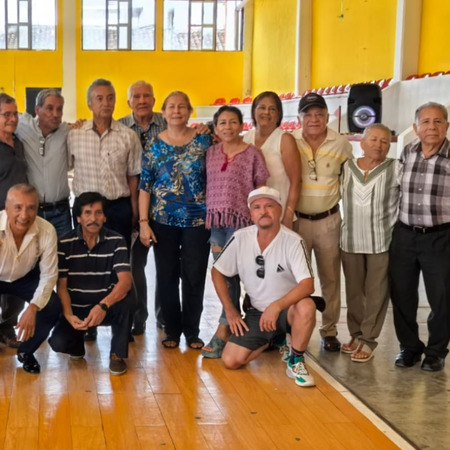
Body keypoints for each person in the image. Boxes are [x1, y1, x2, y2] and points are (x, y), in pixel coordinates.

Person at [212, 187, 322, 387]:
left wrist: (277, 306)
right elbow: (217, 271)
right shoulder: (240, 237)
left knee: (307, 306)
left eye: (269, 206)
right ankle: (275, 339)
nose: (263, 211)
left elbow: (307, 285)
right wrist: (230, 310)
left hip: (287, 310)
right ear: (251, 214)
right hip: (257, 313)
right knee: (230, 361)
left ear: (280, 210)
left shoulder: (293, 241)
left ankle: (295, 360)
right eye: (257, 207)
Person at [68, 78, 141, 341]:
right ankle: (88, 322)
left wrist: (134, 211)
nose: (106, 103)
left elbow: (133, 176)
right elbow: (65, 165)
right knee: (86, 267)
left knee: (119, 267)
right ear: (89, 103)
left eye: (110, 97)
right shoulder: (74, 135)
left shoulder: (128, 136)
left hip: (118, 207)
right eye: (99, 98)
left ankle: (122, 325)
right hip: (86, 209)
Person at [139, 91, 212, 350]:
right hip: (162, 221)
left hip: (198, 222)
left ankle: (192, 331)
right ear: (163, 112)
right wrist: (143, 222)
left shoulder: (204, 140)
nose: (177, 111)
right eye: (171, 106)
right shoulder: (153, 144)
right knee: (166, 276)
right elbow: (145, 185)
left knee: (194, 276)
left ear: (189, 111)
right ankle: (171, 329)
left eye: (182, 106)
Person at [201, 105, 270, 359]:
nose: (228, 127)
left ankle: (242, 328)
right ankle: (227, 324)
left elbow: (261, 190)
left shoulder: (253, 154)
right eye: (222, 123)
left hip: (244, 225)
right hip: (217, 224)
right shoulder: (210, 153)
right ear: (216, 127)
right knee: (224, 275)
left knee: (248, 276)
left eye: (233, 122)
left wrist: (261, 223)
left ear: (241, 125)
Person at [390, 102, 450, 372]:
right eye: (425, 122)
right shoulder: (407, 152)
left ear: (446, 126)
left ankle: (436, 352)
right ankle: (409, 348)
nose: (431, 127)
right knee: (402, 295)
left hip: (440, 237)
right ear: (415, 128)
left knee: (442, 297)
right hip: (405, 235)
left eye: (438, 121)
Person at [292, 92, 352, 352]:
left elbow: (349, 181)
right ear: (299, 118)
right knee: (297, 279)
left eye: (319, 114)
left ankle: (329, 330)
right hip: (297, 222)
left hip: (329, 220)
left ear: (328, 117)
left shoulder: (341, 144)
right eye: (308, 114)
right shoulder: (290, 140)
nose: (314, 119)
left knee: (330, 279)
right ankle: (295, 327)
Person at [48, 192, 132, 375]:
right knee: (58, 343)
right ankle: (77, 343)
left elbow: (125, 282)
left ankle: (117, 355)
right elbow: (61, 287)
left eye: (98, 213)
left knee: (127, 297)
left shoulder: (117, 241)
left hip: (106, 306)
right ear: (78, 218)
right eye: (87, 213)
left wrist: (103, 305)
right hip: (77, 309)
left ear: (105, 217)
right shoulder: (64, 243)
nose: (93, 219)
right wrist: (69, 315)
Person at [339, 124, 400, 362]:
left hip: (381, 242)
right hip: (350, 240)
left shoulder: (396, 168)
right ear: (362, 142)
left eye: (384, 141)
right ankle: (355, 334)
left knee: (377, 294)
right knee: (354, 293)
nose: (379, 145)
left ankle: (368, 339)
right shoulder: (347, 167)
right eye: (373, 139)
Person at [119, 80, 166, 335]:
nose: (142, 100)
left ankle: (165, 317)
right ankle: (138, 317)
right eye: (136, 96)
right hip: (134, 207)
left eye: (147, 95)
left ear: (154, 100)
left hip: (167, 208)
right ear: (129, 102)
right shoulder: (119, 128)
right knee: (134, 266)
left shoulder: (169, 123)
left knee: (166, 266)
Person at [0, 184, 61, 374]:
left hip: (24, 277)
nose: (24, 215)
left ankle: (26, 351)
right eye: (18, 207)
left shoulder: (47, 230)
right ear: (7, 207)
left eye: (31, 207)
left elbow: (49, 275)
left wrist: (33, 307)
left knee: (52, 305)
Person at [16, 89, 72, 237]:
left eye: (59, 109)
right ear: (37, 110)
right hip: (32, 211)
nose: (55, 114)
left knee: (64, 250)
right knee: (32, 251)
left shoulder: (67, 132)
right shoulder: (22, 126)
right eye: (49, 108)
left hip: (61, 211)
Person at [243, 91, 301, 229]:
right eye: (262, 107)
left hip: (279, 217)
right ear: (254, 111)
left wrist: (288, 215)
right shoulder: (245, 139)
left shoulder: (285, 139)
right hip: (251, 218)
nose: (266, 112)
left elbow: (296, 181)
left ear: (279, 114)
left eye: (272, 109)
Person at [0, 93, 28, 349]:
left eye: (14, 113)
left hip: (20, 223)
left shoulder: (18, 142)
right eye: (6, 114)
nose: (12, 118)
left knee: (16, 276)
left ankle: (7, 327)